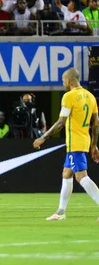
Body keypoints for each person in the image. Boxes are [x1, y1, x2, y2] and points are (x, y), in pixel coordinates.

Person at [33, 68, 99, 221]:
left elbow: (61, 122)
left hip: (75, 142)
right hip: (84, 140)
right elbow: (96, 124)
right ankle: (61, 212)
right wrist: (94, 145)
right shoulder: (90, 96)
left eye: (63, 80)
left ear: (68, 80)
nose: (63, 83)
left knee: (81, 177)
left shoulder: (69, 96)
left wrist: (43, 137)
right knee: (66, 173)